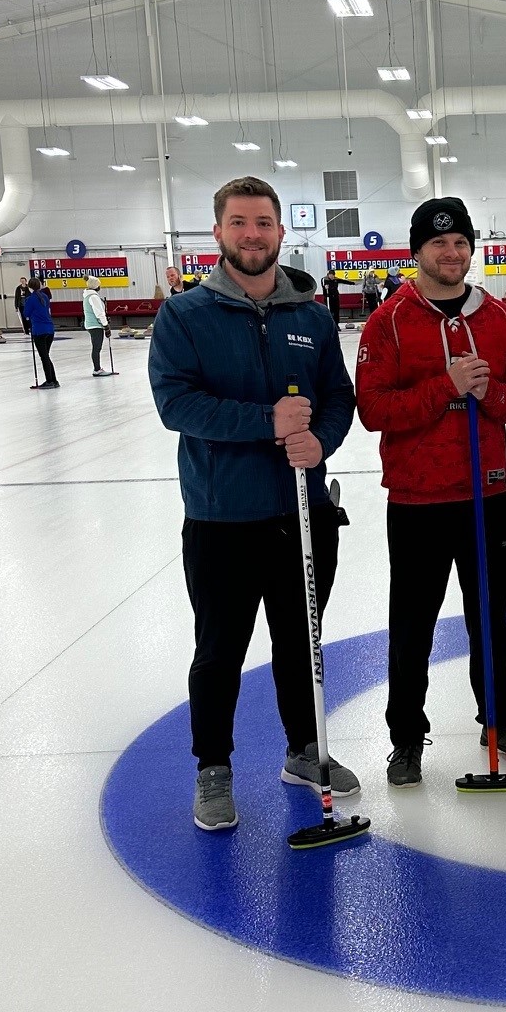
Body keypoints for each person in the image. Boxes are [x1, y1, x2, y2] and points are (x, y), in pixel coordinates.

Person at [149, 175, 359, 837]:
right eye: (239, 223)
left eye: (263, 223)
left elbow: (337, 398)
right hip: (222, 517)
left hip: (301, 512)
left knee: (301, 644)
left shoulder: (311, 315)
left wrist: (318, 440)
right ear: (218, 233)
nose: (252, 234)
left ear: (280, 231)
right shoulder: (185, 316)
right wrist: (267, 422)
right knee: (219, 652)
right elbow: (176, 404)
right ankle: (213, 768)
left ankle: (304, 750)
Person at [356, 196, 506, 788]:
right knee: (411, 625)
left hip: (485, 498)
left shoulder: (494, 317)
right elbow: (373, 410)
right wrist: (446, 386)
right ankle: (407, 737)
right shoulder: (389, 320)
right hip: (417, 502)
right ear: (417, 252)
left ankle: (500, 721)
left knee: (490, 620)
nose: (452, 253)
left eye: (461, 243)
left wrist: (485, 393)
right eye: (439, 244)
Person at [26, 274, 59, 388]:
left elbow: (26, 313)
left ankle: (49, 381)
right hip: (50, 329)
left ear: (30, 287)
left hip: (39, 330)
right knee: (46, 355)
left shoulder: (30, 299)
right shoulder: (44, 297)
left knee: (44, 356)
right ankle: (54, 380)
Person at [82, 275, 109, 373]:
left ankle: (97, 368)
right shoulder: (93, 297)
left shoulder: (88, 296)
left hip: (91, 324)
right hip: (95, 325)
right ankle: (97, 369)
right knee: (96, 347)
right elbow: (99, 313)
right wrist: (106, 325)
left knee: (96, 347)